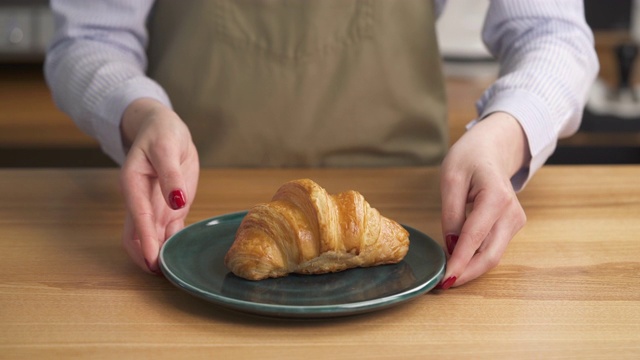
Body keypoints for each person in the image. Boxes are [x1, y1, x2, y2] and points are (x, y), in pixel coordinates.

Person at [45, 0, 598, 289]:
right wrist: (140, 115)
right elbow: (90, 40)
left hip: (419, 221)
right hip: (194, 216)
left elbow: (553, 35)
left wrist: (501, 138)